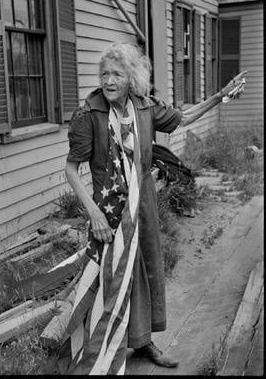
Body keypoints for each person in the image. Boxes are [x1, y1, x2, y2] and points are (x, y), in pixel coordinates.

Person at [63, 42, 246, 375]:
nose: (109, 80)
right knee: (110, 273)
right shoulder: (88, 114)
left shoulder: (144, 107)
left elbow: (184, 117)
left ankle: (143, 340)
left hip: (143, 198)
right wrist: (93, 213)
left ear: (131, 78)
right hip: (108, 206)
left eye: (117, 73)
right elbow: (71, 169)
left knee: (145, 267)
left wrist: (219, 97)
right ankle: (104, 343)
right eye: (104, 73)